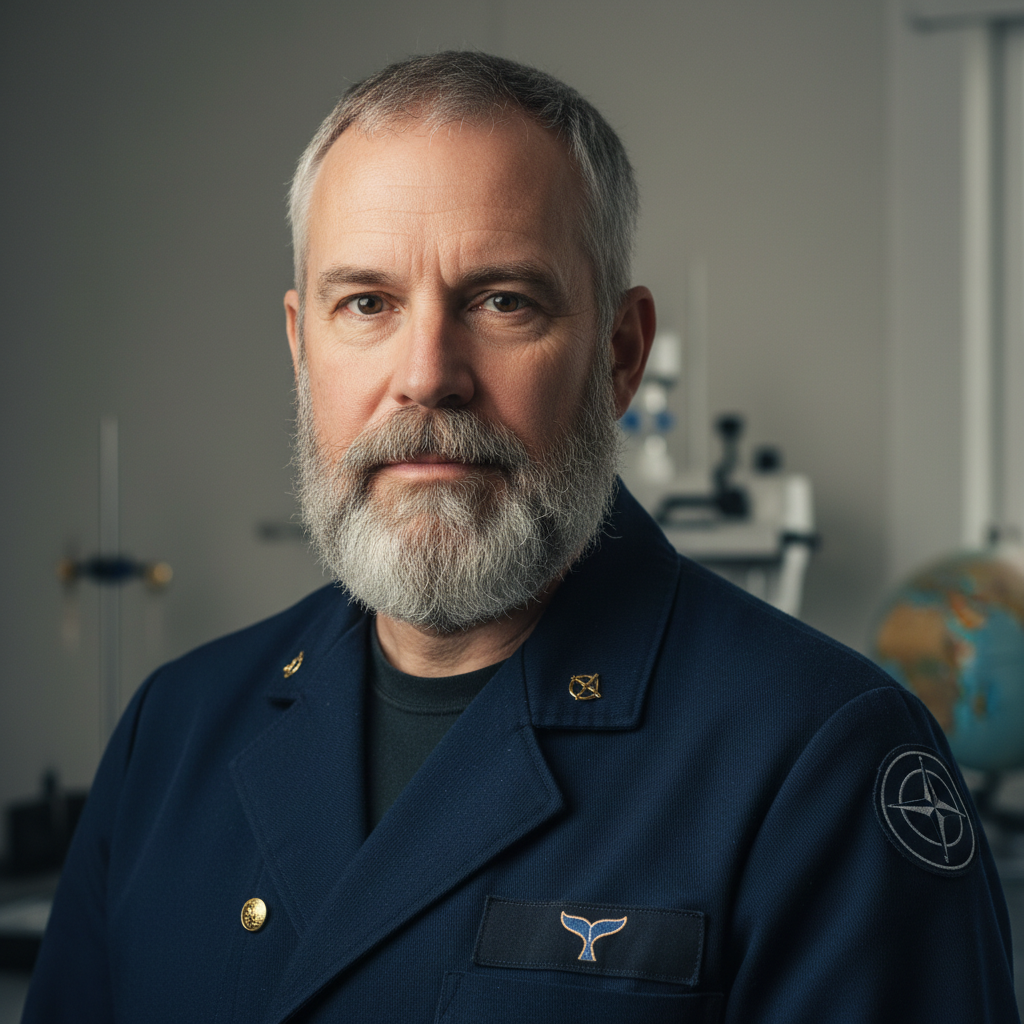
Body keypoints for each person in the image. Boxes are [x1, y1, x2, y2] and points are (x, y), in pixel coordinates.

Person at [23, 52, 1019, 1023]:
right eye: (365, 303)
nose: (427, 373)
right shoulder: (174, 732)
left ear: (620, 355)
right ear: (301, 346)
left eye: (502, 301)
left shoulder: (821, 763)